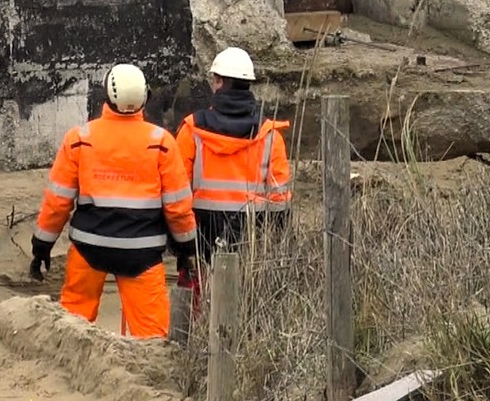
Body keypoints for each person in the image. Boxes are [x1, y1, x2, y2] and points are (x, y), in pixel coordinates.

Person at [29, 63, 197, 339]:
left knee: (72, 328)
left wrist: (41, 247)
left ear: (106, 95)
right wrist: (185, 250)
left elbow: (57, 203)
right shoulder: (162, 142)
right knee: (153, 339)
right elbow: (178, 209)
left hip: (88, 247)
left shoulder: (80, 139)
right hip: (141, 252)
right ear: (146, 96)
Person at [174, 46, 292, 271]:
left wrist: (182, 242)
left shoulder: (192, 130)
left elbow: (176, 191)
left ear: (218, 82)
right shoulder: (269, 135)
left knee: (200, 296)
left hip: (201, 229)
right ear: (248, 84)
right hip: (251, 233)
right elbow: (279, 201)